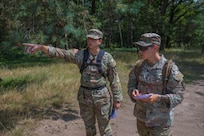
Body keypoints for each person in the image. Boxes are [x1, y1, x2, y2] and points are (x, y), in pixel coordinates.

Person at [23, 29, 123, 136]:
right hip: (85, 98)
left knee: (106, 130)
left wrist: (117, 99)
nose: (90, 41)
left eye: (93, 39)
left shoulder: (107, 58)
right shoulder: (80, 55)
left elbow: (114, 79)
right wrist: (42, 47)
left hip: (102, 98)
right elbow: (61, 53)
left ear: (100, 41)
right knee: (89, 129)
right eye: (89, 38)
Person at [127, 33, 185, 136]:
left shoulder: (170, 69)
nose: (140, 51)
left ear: (155, 47)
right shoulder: (138, 66)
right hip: (142, 119)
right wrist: (133, 91)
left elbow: (179, 96)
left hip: (161, 123)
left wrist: (158, 98)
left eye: (144, 48)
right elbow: (131, 85)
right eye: (139, 47)